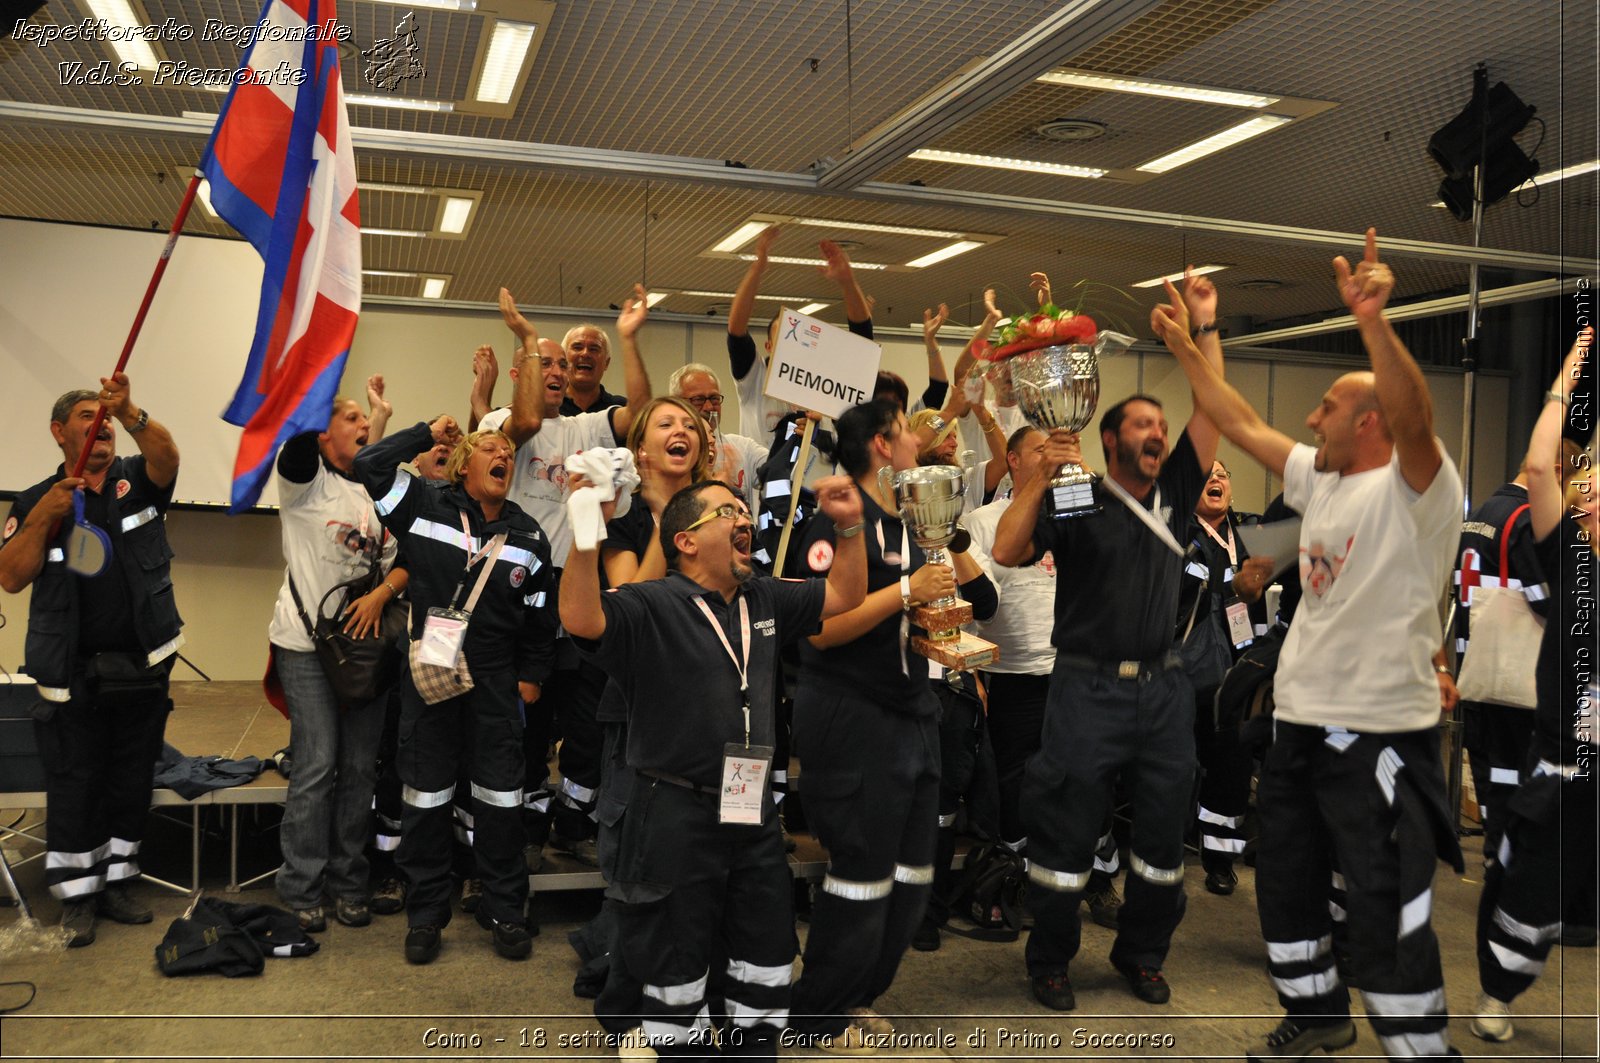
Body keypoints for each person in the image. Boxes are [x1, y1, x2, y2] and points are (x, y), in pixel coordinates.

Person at [1152, 231, 1466, 1061]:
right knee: (1284, 882)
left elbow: (1417, 415)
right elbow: (1238, 418)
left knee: (1382, 901)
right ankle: (1319, 1010)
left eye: (1325, 406)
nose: (1308, 417)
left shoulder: (1420, 491)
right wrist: (1194, 341)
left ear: (1369, 422)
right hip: (1300, 723)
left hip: (1380, 735)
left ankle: (1422, 1046)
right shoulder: (1322, 477)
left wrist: (1373, 321)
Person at [561, 476, 867, 1059]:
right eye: (726, 511)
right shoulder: (652, 603)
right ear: (687, 540)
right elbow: (581, 618)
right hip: (674, 810)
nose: (743, 516)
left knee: (764, 949)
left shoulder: (766, 597)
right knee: (675, 961)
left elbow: (846, 594)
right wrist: (583, 535)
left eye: (743, 507)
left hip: (750, 810)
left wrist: (849, 526)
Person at [989, 272, 1223, 1013]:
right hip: (1084, 689)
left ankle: (1143, 952)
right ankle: (1051, 959)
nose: (1158, 434)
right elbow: (1006, 547)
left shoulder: (1177, 493)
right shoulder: (1077, 495)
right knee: (1063, 834)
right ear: (1110, 437)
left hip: (1162, 690)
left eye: (1162, 426)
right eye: (1144, 425)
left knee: (1160, 843)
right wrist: (1039, 475)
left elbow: (1214, 409)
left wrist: (1201, 333)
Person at [789, 399, 997, 1051]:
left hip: (914, 713)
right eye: (908, 429)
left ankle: (857, 995)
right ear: (883, 444)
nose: (920, 439)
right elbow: (819, 631)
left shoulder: (913, 522)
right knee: (861, 876)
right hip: (854, 718)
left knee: (911, 882)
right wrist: (906, 593)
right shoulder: (836, 519)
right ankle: (818, 1013)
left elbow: (974, 600)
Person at [353, 415, 557, 965]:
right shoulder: (421, 507)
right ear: (464, 462)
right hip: (430, 673)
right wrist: (425, 434)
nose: (503, 458)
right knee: (426, 796)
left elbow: (541, 614)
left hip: (495, 679)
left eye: (509, 454)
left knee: (499, 800)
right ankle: (425, 916)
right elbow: (368, 465)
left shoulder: (529, 535)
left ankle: (506, 910)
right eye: (490, 448)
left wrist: (531, 677)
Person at [0, 373, 181, 946]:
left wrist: (129, 410)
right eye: (86, 417)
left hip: (142, 665)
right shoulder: (34, 499)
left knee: (130, 780)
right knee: (76, 785)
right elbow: (10, 576)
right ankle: (78, 898)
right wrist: (40, 517)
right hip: (70, 675)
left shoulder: (137, 482)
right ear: (59, 433)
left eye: (101, 419)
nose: (97, 427)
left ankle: (119, 882)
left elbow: (168, 455)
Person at [479, 287, 652, 868]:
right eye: (545, 363)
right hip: (517, 592)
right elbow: (527, 418)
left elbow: (642, 415)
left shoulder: (588, 427)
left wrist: (628, 339)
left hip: (573, 589)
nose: (557, 371)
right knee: (527, 711)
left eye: (561, 364)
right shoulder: (503, 422)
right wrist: (528, 339)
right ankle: (524, 823)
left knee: (586, 714)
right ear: (524, 371)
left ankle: (572, 815)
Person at [1470, 329, 1597, 1042]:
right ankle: (1498, 991)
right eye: (1592, 495)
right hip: (1562, 765)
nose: (1597, 501)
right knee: (1527, 888)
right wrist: (1564, 383)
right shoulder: (1572, 566)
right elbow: (1539, 469)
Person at [269, 386, 406, 933]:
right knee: (318, 763)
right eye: (348, 418)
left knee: (357, 769)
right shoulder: (306, 482)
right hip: (305, 647)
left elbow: (408, 559)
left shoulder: (382, 491)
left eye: (362, 419)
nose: (362, 424)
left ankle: (350, 882)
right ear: (325, 433)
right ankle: (301, 884)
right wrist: (315, 393)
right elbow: (297, 447)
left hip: (363, 651)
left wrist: (384, 593)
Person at [1454, 437, 1581, 867]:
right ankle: (1509, 864)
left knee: (1496, 775)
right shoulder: (1526, 519)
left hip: (1478, 667)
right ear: (1556, 475)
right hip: (1515, 677)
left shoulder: (1482, 514)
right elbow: (1544, 598)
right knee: (1519, 774)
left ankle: (1497, 858)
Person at [1178, 458, 1272, 897]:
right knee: (1178, 765)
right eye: (1206, 474)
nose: (1216, 479)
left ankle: (1220, 860)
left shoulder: (1251, 531)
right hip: (1187, 673)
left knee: (1232, 767)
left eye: (1223, 473)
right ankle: (1168, 850)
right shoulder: (1177, 533)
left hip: (1241, 671)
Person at [667, 363, 766, 504]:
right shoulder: (670, 456)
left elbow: (782, 471)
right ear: (676, 404)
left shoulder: (743, 448)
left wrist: (797, 436)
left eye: (714, 398)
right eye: (698, 399)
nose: (709, 407)